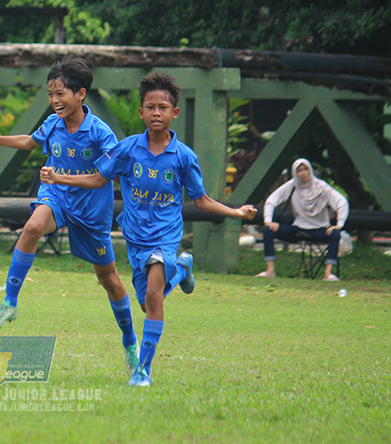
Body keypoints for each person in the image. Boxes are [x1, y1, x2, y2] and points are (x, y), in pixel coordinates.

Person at [41, 71, 258, 387]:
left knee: (154, 295)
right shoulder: (127, 150)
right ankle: (183, 271)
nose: (157, 113)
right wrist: (60, 178)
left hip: (166, 237)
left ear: (175, 113)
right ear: (141, 112)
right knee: (147, 303)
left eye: (163, 108)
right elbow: (97, 179)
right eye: (151, 107)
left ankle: (143, 371)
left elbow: (202, 201)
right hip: (135, 238)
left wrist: (235, 211)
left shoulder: (184, 157)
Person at [0, 57, 141, 373]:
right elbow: (29, 141)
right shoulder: (53, 124)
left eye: (60, 94)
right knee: (32, 226)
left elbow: (101, 179)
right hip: (57, 198)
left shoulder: (101, 135)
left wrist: (58, 177)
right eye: (50, 94)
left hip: (91, 212)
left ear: (81, 94)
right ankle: (9, 303)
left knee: (109, 280)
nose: (54, 101)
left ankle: (130, 343)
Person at [256, 158, 349, 282]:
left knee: (335, 234)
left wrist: (339, 224)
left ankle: (328, 273)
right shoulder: (292, 186)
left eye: (305, 169)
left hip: (320, 230)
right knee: (268, 230)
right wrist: (268, 221)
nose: (303, 173)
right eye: (299, 171)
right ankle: (270, 270)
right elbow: (272, 200)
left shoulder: (321, 186)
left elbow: (341, 202)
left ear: (310, 170)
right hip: (298, 228)